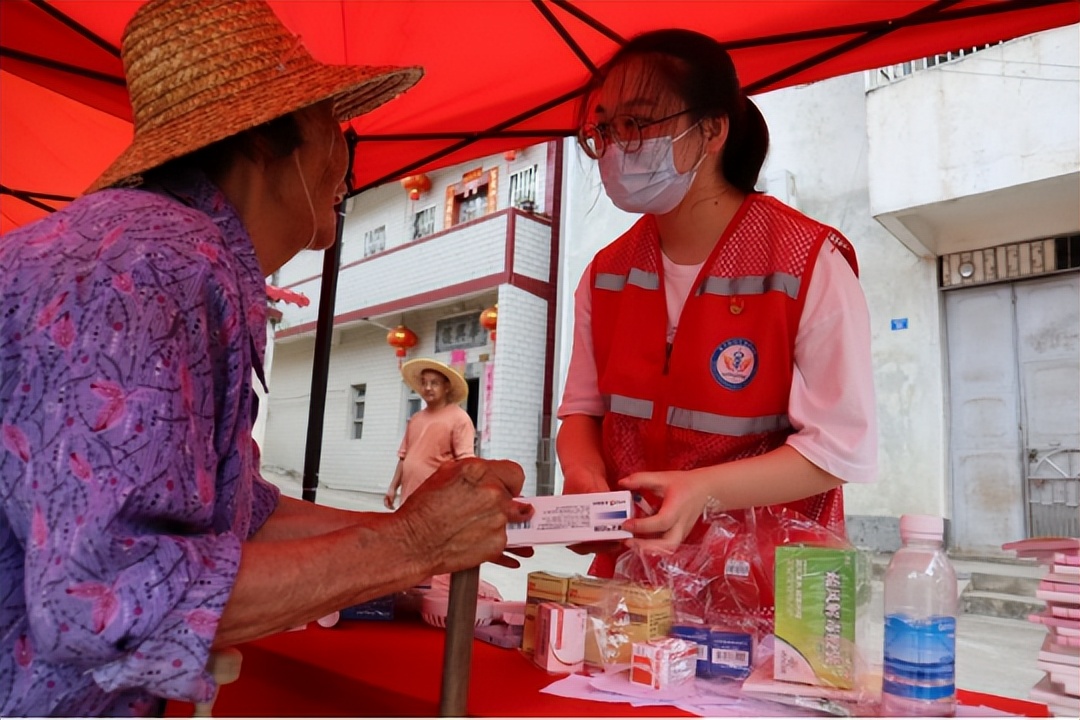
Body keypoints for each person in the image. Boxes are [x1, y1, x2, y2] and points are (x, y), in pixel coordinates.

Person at [0, 0, 531, 715]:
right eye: (338, 129)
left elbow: (238, 512)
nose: (347, 160)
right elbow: (108, 596)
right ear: (264, 138)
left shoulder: (160, 254)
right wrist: (413, 542)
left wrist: (420, 527)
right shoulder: (156, 267)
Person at [557, 29, 877, 577]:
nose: (614, 146)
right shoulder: (606, 273)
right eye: (604, 128)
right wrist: (584, 477)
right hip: (635, 582)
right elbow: (582, 411)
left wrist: (703, 490)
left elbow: (838, 449)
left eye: (637, 122)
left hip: (769, 589)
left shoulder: (808, 261)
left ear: (710, 130)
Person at [385, 359, 476, 510]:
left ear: (446, 387)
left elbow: (466, 465)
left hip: (437, 505)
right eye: (424, 383)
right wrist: (392, 488)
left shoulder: (460, 419)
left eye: (434, 383)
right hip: (408, 500)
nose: (428, 388)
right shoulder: (415, 419)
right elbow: (404, 458)